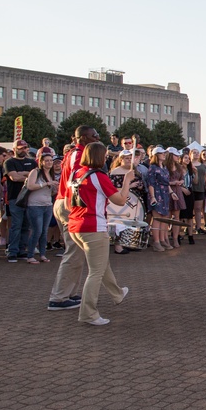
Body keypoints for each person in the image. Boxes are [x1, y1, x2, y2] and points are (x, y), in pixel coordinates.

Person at [67, 142, 133, 326]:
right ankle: (89, 313)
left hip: (75, 225)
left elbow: (67, 203)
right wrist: (127, 181)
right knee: (96, 271)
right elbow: (119, 200)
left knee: (101, 264)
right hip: (93, 226)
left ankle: (116, 292)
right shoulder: (98, 176)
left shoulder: (76, 174)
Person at [47, 126, 99, 311]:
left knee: (77, 250)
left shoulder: (74, 153)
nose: (97, 138)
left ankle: (68, 293)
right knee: (73, 251)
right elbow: (75, 181)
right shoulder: (78, 155)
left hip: (64, 202)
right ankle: (59, 297)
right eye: (94, 135)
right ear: (84, 137)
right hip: (69, 204)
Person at [4, 139, 36, 262]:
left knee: (26, 225)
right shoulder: (9, 162)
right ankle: (12, 251)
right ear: (14, 149)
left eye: (25, 148)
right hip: (15, 197)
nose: (23, 150)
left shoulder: (32, 162)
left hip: (30, 197)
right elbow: (14, 177)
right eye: (20, 148)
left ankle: (22, 249)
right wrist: (28, 175)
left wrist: (22, 174)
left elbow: (36, 177)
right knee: (16, 225)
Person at [24, 149, 58, 264]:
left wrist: (54, 188)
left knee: (44, 231)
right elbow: (30, 186)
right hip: (35, 205)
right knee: (36, 230)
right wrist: (46, 183)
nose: (49, 162)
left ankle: (43, 254)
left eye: (50, 161)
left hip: (47, 205)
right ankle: (30, 255)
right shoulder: (35, 171)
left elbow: (50, 192)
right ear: (41, 162)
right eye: (46, 161)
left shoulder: (51, 174)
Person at [146, 147, 173, 251]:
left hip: (165, 193)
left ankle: (162, 239)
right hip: (157, 194)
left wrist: (171, 192)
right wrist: (152, 197)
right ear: (156, 155)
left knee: (165, 218)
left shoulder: (164, 167)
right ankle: (156, 241)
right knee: (157, 218)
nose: (164, 155)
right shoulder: (152, 168)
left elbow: (167, 182)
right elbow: (151, 184)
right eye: (161, 153)